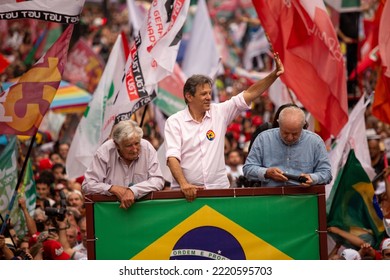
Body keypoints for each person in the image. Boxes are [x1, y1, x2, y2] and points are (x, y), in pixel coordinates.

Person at [164, 53, 284, 201]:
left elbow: (249, 94)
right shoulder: (174, 121)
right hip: (187, 194)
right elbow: (172, 157)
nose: (209, 97)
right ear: (189, 96)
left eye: (209, 93)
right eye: (203, 94)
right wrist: (184, 184)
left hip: (218, 192)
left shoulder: (219, 112)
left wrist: (273, 75)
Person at [82, 120, 165, 209]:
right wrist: (112, 189)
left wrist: (134, 191)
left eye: (137, 143)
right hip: (111, 211)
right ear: (117, 145)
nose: (134, 149)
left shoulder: (147, 148)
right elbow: (87, 185)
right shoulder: (104, 152)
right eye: (129, 145)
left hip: (143, 210)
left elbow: (158, 180)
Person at [243, 106, 332, 187]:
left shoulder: (315, 142)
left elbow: (327, 174)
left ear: (303, 125)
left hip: (303, 198)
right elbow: (248, 169)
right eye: (285, 133)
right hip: (271, 198)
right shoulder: (263, 139)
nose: (290, 138)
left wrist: (313, 178)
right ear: (278, 124)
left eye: (295, 134)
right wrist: (266, 173)